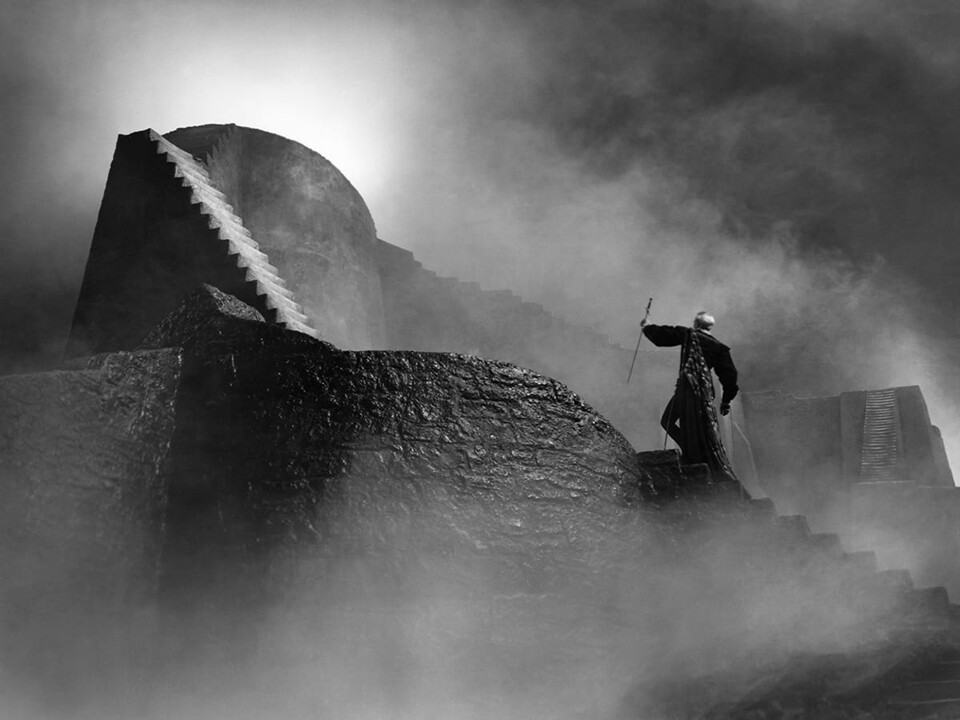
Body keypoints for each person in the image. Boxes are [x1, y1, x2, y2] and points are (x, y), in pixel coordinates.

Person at [641, 311, 739, 479]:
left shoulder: (689, 335)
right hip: (705, 394)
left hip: (687, 389)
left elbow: (664, 336)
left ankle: (690, 453)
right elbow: (730, 377)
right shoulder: (720, 348)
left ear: (696, 324)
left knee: (668, 421)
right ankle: (694, 454)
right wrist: (726, 401)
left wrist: (647, 326)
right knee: (703, 428)